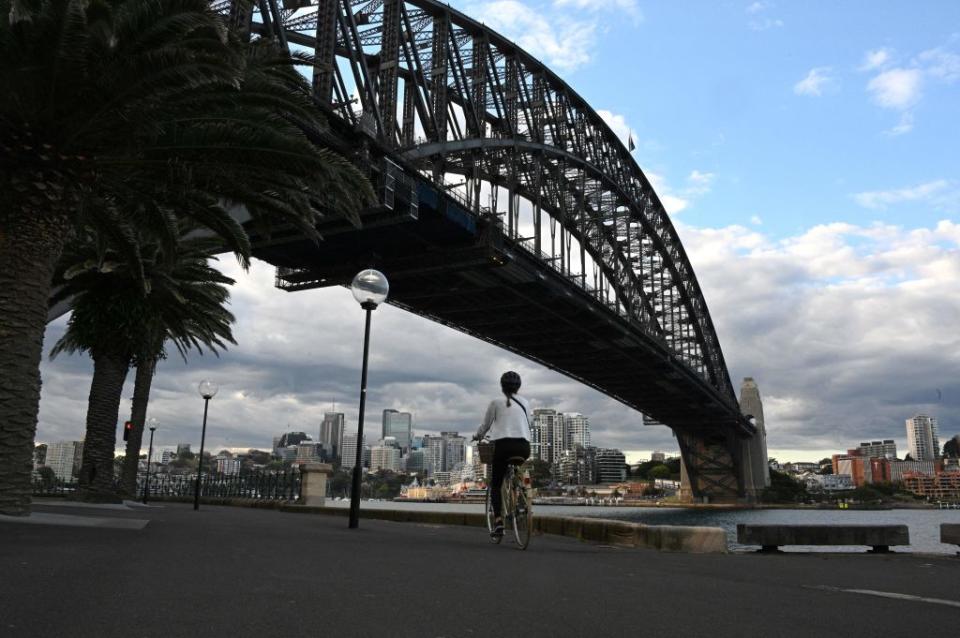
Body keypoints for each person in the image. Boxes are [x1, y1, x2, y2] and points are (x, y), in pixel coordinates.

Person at [475, 370, 531, 538]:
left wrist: (478, 436)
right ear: (518, 387)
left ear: (502, 386)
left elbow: (485, 425)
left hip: (503, 446)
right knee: (517, 471)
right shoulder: (526, 402)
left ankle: (499, 522)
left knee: (496, 484)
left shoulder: (496, 402)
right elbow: (529, 422)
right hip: (523, 447)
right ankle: (520, 493)